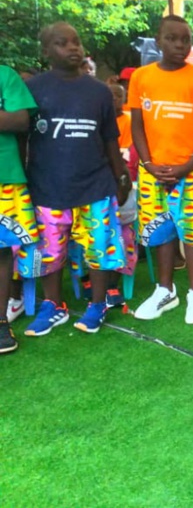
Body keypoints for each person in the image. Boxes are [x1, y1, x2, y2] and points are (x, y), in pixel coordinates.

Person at [19, 22, 130, 336]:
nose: (72, 48)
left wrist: (121, 178)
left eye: (76, 42)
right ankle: (54, 305)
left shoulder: (97, 91)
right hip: (47, 188)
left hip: (94, 186)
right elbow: (24, 139)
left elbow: (110, 140)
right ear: (45, 51)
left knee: (99, 249)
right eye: (61, 43)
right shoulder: (35, 90)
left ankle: (97, 304)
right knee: (47, 251)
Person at [128, 16, 193, 324]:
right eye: (172, 39)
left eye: (185, 40)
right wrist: (149, 163)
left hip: (192, 171)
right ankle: (165, 291)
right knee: (160, 231)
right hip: (153, 171)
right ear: (158, 42)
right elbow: (137, 124)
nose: (180, 45)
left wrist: (188, 164)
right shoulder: (141, 77)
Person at [0, 64, 38, 353]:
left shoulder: (6, 76)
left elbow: (19, 121)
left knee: (1, 251)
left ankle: (1, 323)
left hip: (5, 174)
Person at [105, 82, 139, 309]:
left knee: (124, 236)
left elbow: (129, 158)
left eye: (120, 95)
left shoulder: (129, 122)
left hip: (125, 185)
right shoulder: (99, 122)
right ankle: (92, 280)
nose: (115, 100)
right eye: (111, 96)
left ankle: (112, 284)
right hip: (99, 187)